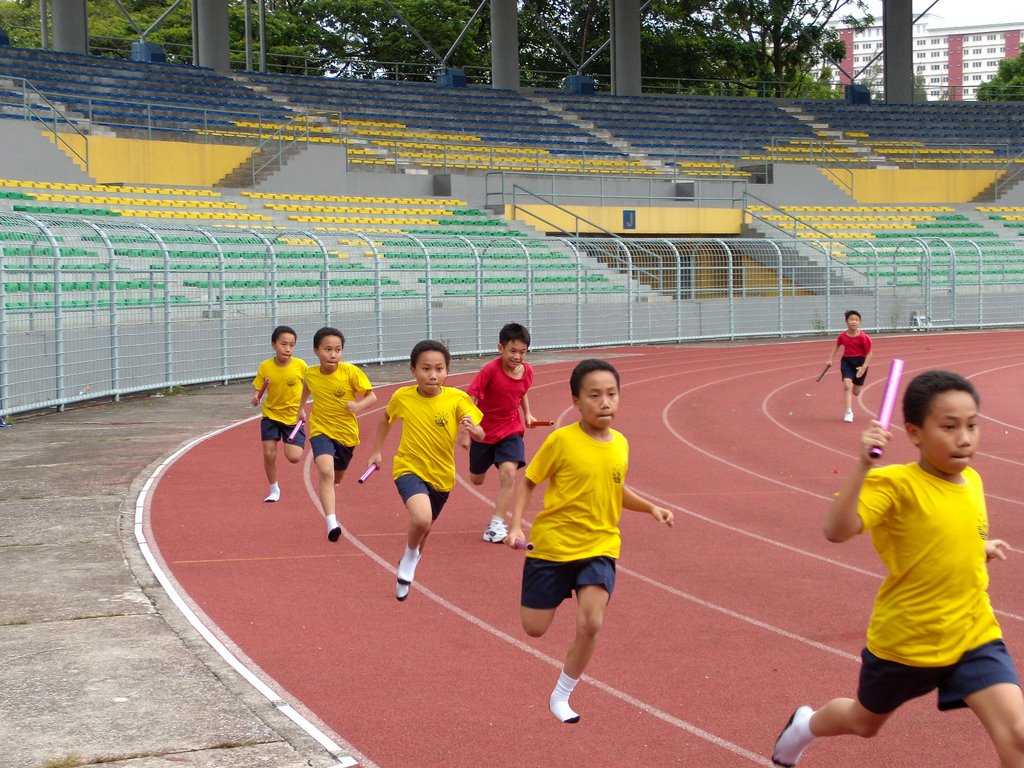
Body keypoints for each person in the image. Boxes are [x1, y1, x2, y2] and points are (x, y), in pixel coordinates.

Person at [772, 370, 1024, 767]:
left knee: (1018, 736)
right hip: (906, 643)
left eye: (972, 425)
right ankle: (805, 726)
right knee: (863, 722)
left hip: (973, 633)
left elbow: (949, 534)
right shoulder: (895, 485)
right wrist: (861, 466)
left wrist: (980, 548)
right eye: (949, 426)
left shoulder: (971, 480)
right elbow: (836, 530)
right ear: (913, 432)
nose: (964, 438)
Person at [505, 359, 674, 724]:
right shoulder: (561, 440)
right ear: (576, 401)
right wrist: (516, 525)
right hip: (552, 546)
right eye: (594, 395)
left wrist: (651, 508)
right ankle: (557, 592)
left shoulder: (621, 445)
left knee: (592, 623)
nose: (604, 402)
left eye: (611, 394)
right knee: (534, 628)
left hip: (600, 545)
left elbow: (615, 488)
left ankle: (562, 694)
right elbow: (530, 480)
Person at [367, 340, 484, 601]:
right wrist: (377, 451)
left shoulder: (457, 399)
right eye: (426, 368)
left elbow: (480, 431)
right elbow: (386, 418)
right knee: (421, 518)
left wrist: (473, 430)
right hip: (408, 467)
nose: (433, 375)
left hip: (442, 476)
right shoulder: (403, 397)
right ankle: (409, 558)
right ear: (413, 370)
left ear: (447, 371)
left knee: (425, 528)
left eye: (439, 369)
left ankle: (413, 556)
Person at [297, 327, 376, 542]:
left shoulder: (350, 372)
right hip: (321, 430)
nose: (333, 354)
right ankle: (332, 522)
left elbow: (372, 397)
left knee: (336, 476)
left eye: (338, 350)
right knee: (325, 471)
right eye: (328, 349)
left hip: (346, 435)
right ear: (316, 350)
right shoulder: (311, 373)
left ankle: (331, 488)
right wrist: (301, 407)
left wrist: (358, 406)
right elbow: (306, 386)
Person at [463, 322, 538, 544]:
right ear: (500, 348)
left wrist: (528, 414)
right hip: (484, 434)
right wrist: (468, 430)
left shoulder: (528, 371)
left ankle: (496, 524)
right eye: (513, 351)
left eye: (522, 352)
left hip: (511, 431)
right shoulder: (488, 371)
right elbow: (470, 398)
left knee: (509, 473)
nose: (517, 356)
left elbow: (522, 392)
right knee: (476, 479)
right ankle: (482, 467)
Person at [251, 325, 307, 502]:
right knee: (269, 454)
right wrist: (255, 398)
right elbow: (257, 390)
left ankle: (292, 443)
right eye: (284, 344)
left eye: (292, 345)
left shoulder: (301, 366)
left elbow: (310, 388)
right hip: (271, 415)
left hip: (293, 418)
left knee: (294, 457)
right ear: (274, 345)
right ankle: (274, 489)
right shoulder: (265, 367)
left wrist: (302, 408)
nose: (288, 349)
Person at [826, 309, 873, 423]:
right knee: (847, 386)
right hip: (847, 362)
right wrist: (830, 359)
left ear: (860, 322)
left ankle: (855, 385)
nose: (854, 322)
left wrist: (864, 367)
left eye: (857, 320)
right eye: (851, 319)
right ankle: (848, 412)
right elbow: (837, 346)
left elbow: (870, 353)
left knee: (856, 392)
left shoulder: (863, 337)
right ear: (846, 321)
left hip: (860, 363)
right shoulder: (842, 336)